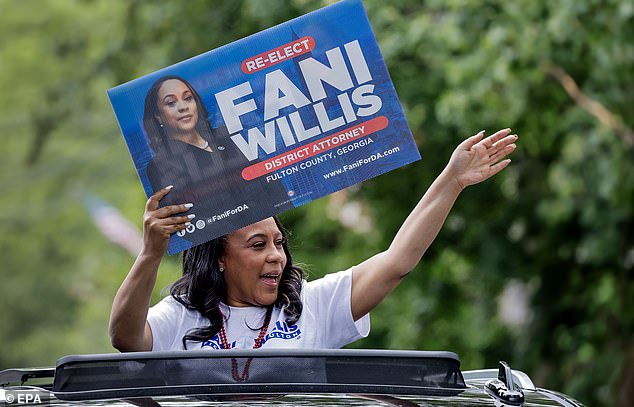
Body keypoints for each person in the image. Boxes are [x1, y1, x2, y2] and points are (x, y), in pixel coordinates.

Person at [109, 128, 518, 353]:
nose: (276, 256)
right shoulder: (182, 318)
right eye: (257, 245)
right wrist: (150, 253)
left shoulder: (312, 307)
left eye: (278, 243)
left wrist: (452, 180)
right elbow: (125, 338)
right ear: (219, 258)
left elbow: (397, 262)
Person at [142, 75, 290, 248]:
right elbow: (187, 222)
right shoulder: (160, 165)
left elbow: (270, 182)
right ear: (158, 117)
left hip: (270, 236)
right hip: (221, 250)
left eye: (188, 98)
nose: (183, 107)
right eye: (171, 103)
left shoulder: (228, 136)